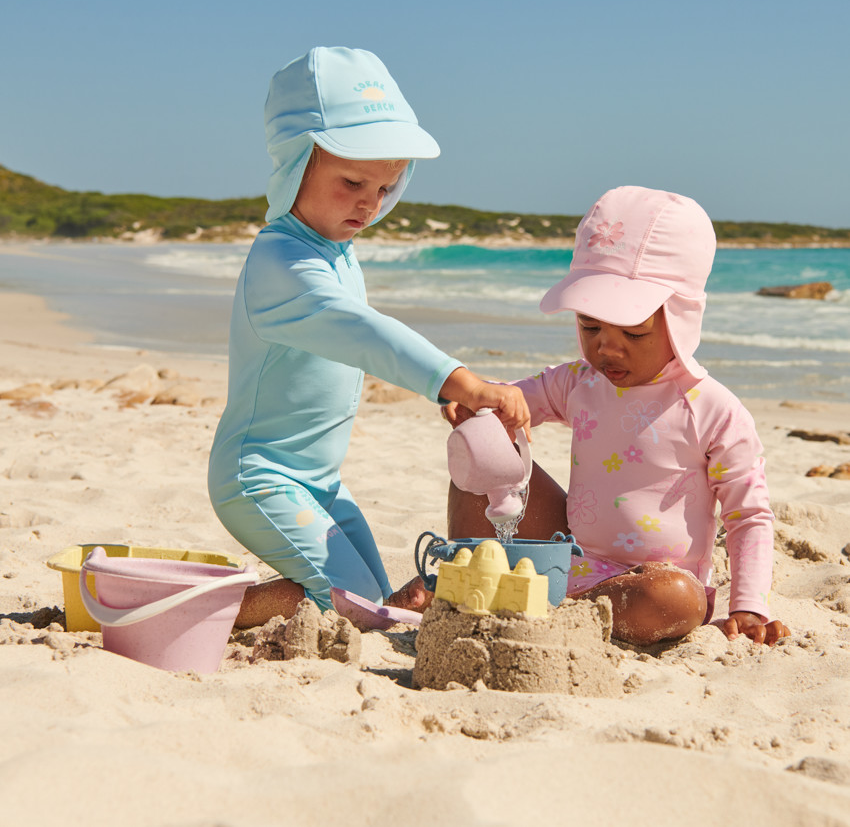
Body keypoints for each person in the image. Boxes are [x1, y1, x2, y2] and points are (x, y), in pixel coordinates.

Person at [208, 47, 529, 629]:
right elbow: (364, 334)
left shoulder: (337, 253)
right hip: (261, 477)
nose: (369, 202)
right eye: (352, 181)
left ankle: (335, 604)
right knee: (356, 606)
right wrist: (457, 381)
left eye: (385, 187)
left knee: (374, 601)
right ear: (295, 164)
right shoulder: (280, 261)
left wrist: (447, 390)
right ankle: (206, 611)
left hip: (324, 483)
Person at [446, 185, 790, 647]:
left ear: (680, 320)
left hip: (647, 584)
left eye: (633, 332)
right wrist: (481, 406)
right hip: (569, 558)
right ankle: (467, 577)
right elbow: (513, 401)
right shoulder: (579, 381)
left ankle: (559, 610)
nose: (607, 348)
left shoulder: (712, 409)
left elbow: (748, 514)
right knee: (481, 463)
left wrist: (748, 607)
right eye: (590, 326)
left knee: (677, 600)